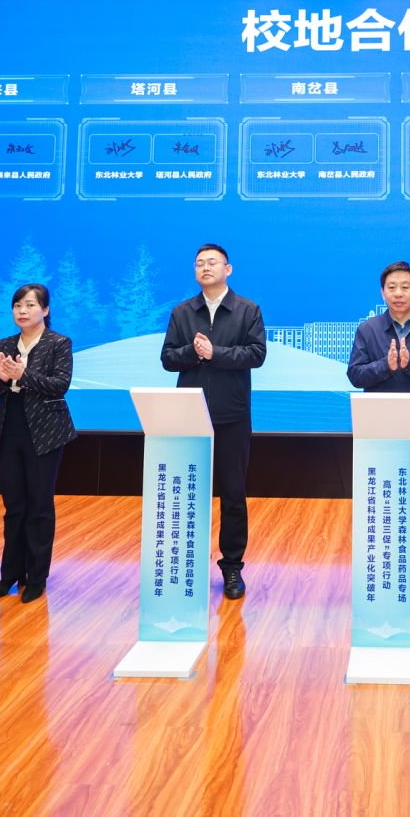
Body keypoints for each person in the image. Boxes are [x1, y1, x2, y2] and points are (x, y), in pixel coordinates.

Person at [160, 244, 267, 600]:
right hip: (189, 415)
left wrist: (215, 353)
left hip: (232, 416)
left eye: (212, 263)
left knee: (233, 494)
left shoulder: (247, 310)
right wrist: (193, 352)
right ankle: (184, 565)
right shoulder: (182, 312)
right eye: (199, 264)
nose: (205, 268)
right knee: (187, 491)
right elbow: (168, 359)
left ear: (228, 269)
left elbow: (257, 354)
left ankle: (232, 567)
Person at [347, 261, 410, 616]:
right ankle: (378, 579)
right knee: (378, 508)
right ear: (382, 292)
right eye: (392, 287)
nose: (398, 293)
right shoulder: (368, 330)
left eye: (405, 287)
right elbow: (355, 374)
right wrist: (386, 366)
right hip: (377, 432)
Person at [0, 283, 78, 604]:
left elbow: (59, 385)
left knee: (39, 506)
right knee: (14, 506)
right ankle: (10, 575)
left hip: (46, 433)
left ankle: (36, 577)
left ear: (45, 310)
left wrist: (22, 375)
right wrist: (3, 378)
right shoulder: (4, 344)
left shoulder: (58, 343)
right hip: (10, 429)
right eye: (18, 305)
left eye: (30, 305)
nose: (22, 311)